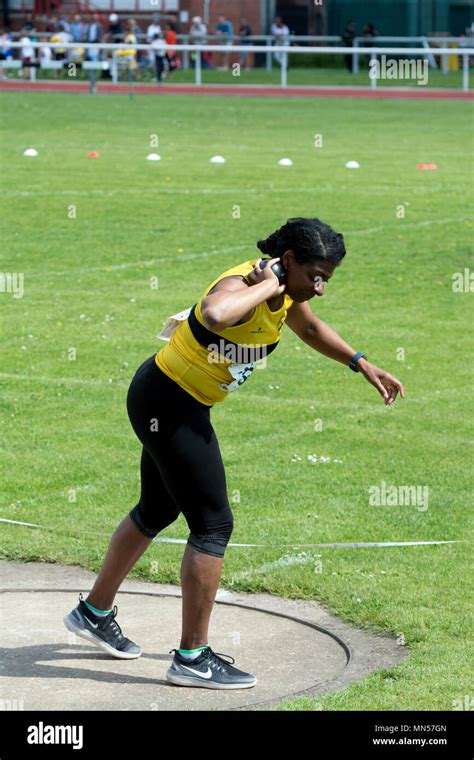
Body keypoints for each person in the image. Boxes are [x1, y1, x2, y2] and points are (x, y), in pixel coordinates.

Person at [63, 217, 405, 689]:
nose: (321, 288)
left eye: (328, 278)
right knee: (214, 524)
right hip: (169, 403)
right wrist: (267, 286)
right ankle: (192, 658)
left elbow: (308, 328)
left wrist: (361, 363)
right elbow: (215, 314)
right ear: (287, 261)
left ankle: (92, 613)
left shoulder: (284, 292)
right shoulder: (246, 283)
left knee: (157, 507)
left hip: (173, 402)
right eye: (316, 276)